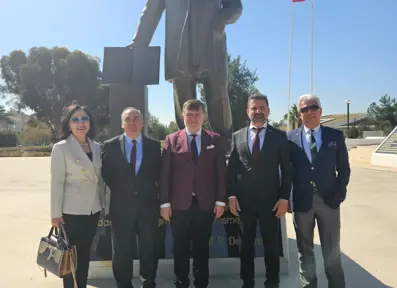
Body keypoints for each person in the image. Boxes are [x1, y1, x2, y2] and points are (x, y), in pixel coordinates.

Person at [227, 93, 292, 288]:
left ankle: (272, 282)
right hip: (244, 203)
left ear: (268, 110)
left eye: (262, 107)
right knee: (245, 247)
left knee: (271, 247)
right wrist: (231, 196)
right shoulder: (237, 136)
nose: (258, 111)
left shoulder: (279, 137)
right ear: (247, 111)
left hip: (271, 202)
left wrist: (283, 198)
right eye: (254, 108)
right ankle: (247, 283)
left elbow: (287, 171)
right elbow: (231, 170)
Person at [160, 99, 227, 288]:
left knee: (201, 248)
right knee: (180, 248)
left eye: (197, 114)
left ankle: (201, 284)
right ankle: (181, 283)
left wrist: (221, 200)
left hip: (205, 205)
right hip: (179, 206)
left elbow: (221, 172)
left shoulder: (214, 139)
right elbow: (165, 174)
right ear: (183, 116)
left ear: (203, 116)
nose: (193, 118)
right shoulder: (172, 139)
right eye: (189, 114)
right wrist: (164, 203)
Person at [287, 94, 350, 288]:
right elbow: (286, 171)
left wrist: (339, 194)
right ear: (299, 114)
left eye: (313, 107)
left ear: (320, 111)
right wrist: (289, 199)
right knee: (305, 251)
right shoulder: (289, 138)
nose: (310, 112)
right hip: (302, 202)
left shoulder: (335, 136)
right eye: (305, 109)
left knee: (332, 250)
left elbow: (344, 169)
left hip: (329, 202)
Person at [101, 107, 161, 288]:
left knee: (149, 250)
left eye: (136, 118)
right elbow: (106, 175)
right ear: (122, 124)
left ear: (143, 123)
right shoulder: (110, 146)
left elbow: (158, 175)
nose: (132, 122)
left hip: (148, 208)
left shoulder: (154, 145)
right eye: (128, 119)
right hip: (121, 208)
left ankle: (148, 283)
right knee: (121, 252)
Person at [50, 104, 104, 288]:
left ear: (90, 122)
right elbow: (57, 183)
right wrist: (55, 214)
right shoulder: (61, 148)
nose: (80, 123)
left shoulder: (96, 146)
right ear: (68, 123)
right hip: (71, 212)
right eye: (75, 119)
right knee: (70, 259)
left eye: (84, 118)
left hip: (92, 210)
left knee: (85, 255)